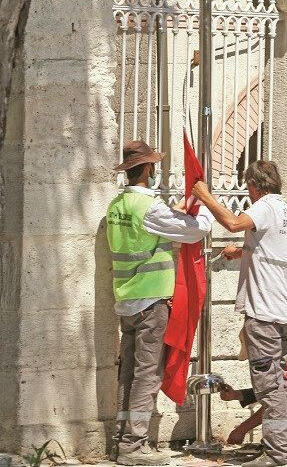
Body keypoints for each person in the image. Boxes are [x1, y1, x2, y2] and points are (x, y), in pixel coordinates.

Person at [107, 141, 214, 466]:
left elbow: (155, 228)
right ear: (149, 170)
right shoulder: (150, 207)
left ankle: (119, 441)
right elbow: (198, 231)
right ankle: (133, 447)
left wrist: (175, 212)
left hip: (127, 300)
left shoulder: (116, 205)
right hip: (152, 302)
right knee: (148, 374)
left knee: (129, 374)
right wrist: (204, 201)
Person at [192, 161, 287, 467]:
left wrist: (206, 196)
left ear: (255, 185)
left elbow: (235, 224)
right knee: (276, 384)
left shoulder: (264, 206)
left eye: (248, 187)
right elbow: (271, 252)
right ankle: (279, 453)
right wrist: (239, 252)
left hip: (264, 314)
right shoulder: (286, 212)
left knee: (270, 388)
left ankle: (277, 456)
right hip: (280, 313)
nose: (248, 194)